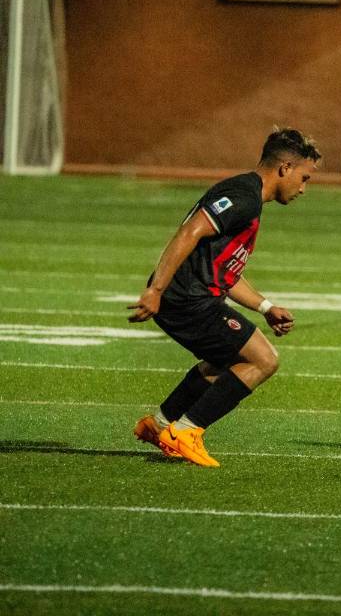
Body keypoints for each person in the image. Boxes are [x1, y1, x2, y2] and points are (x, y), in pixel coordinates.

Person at [127, 128, 321, 468]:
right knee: (263, 360)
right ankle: (186, 432)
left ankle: (158, 425)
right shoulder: (243, 196)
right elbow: (189, 232)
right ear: (284, 168)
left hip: (190, 295)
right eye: (304, 178)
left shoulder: (249, 197)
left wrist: (265, 307)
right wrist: (156, 290)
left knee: (228, 362)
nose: (303, 188)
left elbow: (223, 272)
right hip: (186, 298)